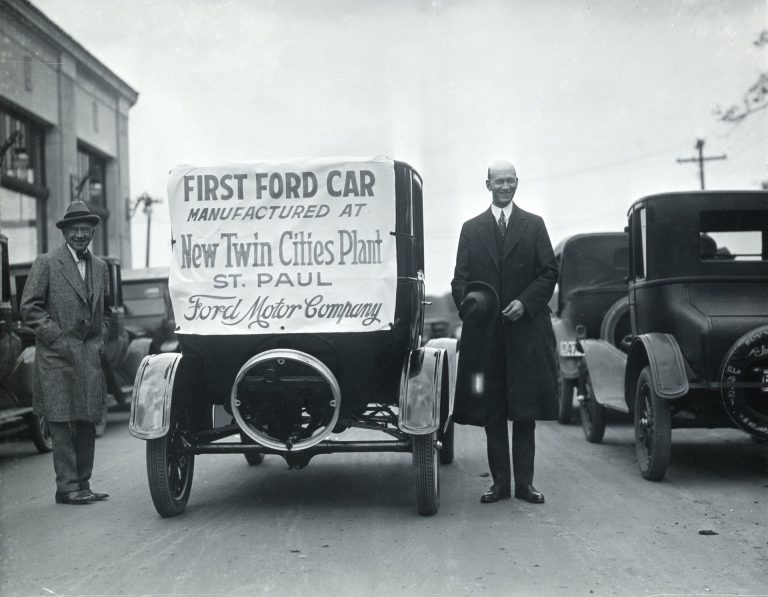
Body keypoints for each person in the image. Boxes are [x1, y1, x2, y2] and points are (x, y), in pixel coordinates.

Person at [451, 159, 559, 504]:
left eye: (510, 181)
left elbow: (548, 273)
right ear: (488, 185)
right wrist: (472, 307)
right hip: (486, 339)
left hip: (525, 334)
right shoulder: (471, 229)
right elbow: (460, 281)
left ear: (517, 183)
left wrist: (525, 303)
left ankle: (524, 486)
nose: (505, 186)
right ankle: (500, 485)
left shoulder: (534, 225)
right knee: (492, 411)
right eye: (499, 181)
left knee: (525, 412)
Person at [21, 200, 111, 505]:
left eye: (86, 229)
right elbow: (29, 308)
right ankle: (66, 487)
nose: (80, 234)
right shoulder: (46, 263)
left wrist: (100, 340)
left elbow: (106, 311)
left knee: (87, 420)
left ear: (92, 232)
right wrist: (56, 338)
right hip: (56, 357)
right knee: (61, 422)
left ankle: (83, 485)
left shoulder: (99, 267)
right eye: (75, 229)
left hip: (88, 357)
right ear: (65, 232)